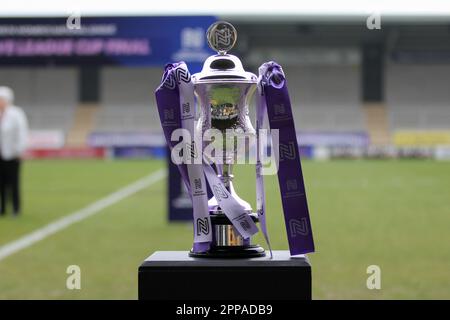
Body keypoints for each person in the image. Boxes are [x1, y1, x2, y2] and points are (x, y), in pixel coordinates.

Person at [0, 87, 28, 217]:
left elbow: (22, 133)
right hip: (0, 154)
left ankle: (16, 209)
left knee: (13, 183)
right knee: (1, 183)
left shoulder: (16, 113)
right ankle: (3, 208)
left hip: (12, 155)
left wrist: (19, 150)